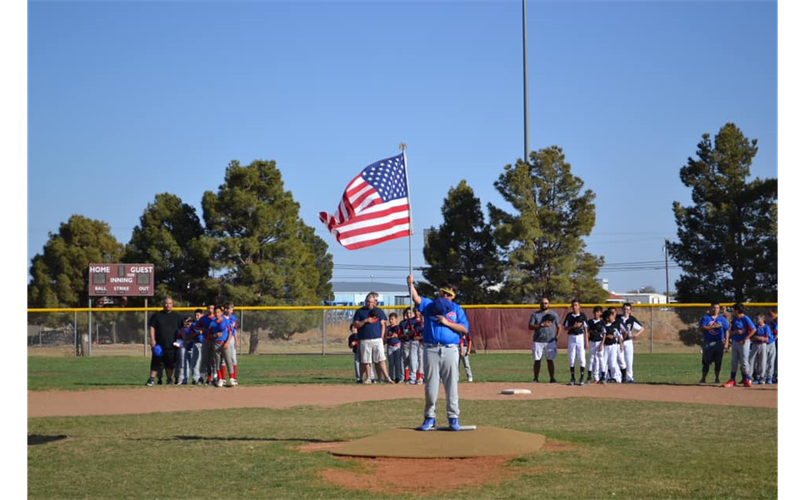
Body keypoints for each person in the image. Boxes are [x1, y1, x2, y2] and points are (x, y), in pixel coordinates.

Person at [407, 275, 469, 431]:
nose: (446, 296)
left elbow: (464, 329)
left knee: (451, 385)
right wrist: (410, 284)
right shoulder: (429, 305)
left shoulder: (457, 309)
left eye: (450, 294)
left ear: (454, 296)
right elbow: (416, 298)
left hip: (450, 349)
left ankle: (453, 417)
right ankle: (429, 417)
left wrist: (447, 323)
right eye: (443, 292)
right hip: (431, 348)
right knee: (431, 386)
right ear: (439, 292)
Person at [352, 292, 394, 384]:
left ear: (374, 302)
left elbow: (383, 324)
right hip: (365, 339)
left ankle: (386, 377)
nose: (370, 304)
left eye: (371, 302)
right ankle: (369, 378)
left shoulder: (378, 311)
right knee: (366, 360)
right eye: (368, 302)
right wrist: (365, 320)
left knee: (381, 359)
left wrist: (382, 337)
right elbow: (356, 324)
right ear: (365, 301)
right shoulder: (360, 311)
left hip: (377, 339)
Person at [145, 297, 184, 387]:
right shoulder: (157, 315)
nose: (168, 305)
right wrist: (152, 339)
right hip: (159, 343)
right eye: (166, 303)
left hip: (172, 344)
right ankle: (151, 379)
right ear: (163, 304)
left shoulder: (177, 316)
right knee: (156, 362)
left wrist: (184, 340)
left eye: (170, 303)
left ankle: (169, 379)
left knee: (170, 363)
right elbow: (152, 327)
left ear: (172, 305)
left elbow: (181, 329)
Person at [724, 303, 756, 388]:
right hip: (735, 341)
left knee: (744, 361)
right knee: (734, 362)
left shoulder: (745, 318)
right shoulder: (734, 319)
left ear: (737, 311)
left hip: (744, 342)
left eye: (733, 310)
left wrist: (746, 338)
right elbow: (731, 332)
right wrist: (736, 332)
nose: (733, 312)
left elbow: (753, 329)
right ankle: (732, 380)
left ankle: (746, 379)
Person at [528, 297, 559, 383]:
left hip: (550, 341)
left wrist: (556, 337)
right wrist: (541, 325)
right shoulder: (535, 314)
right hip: (538, 340)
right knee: (537, 360)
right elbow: (530, 326)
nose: (544, 304)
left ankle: (552, 378)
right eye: (542, 303)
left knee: (550, 360)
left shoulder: (554, 314)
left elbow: (559, 326)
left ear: (549, 304)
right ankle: (535, 378)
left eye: (546, 303)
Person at [699, 302, 729, 385]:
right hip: (708, 342)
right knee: (706, 361)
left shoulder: (722, 319)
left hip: (719, 342)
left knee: (718, 361)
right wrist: (712, 327)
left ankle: (717, 378)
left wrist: (726, 343)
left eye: (717, 308)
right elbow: (702, 328)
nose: (715, 309)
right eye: (713, 308)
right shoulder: (706, 318)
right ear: (710, 308)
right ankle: (703, 378)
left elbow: (726, 330)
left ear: (719, 309)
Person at [561, 299, 588, 386]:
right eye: (573, 305)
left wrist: (586, 341)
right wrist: (573, 326)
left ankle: (581, 378)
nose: (574, 307)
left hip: (580, 337)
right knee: (571, 357)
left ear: (579, 306)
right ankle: (572, 378)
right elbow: (565, 328)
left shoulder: (582, 315)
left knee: (581, 357)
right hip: (572, 337)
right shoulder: (569, 316)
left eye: (576, 305)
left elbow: (586, 328)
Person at [616, 303, 643, 383]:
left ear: (630, 310)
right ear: (622, 309)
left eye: (628, 309)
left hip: (628, 341)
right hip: (619, 342)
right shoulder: (618, 318)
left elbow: (641, 328)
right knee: (620, 360)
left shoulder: (631, 319)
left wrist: (635, 335)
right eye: (624, 309)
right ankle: (620, 377)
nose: (626, 311)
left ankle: (629, 377)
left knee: (629, 360)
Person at [601, 308, 624, 383]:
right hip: (605, 346)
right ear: (607, 318)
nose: (613, 317)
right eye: (611, 316)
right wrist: (607, 336)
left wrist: (621, 345)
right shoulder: (603, 326)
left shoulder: (613, 327)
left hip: (613, 346)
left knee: (613, 362)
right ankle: (604, 376)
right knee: (604, 362)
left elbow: (619, 335)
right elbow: (602, 335)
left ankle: (615, 377)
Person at [586, 306, 606, 384]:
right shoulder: (590, 322)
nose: (596, 313)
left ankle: (603, 376)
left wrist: (602, 344)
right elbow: (587, 331)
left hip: (599, 341)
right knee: (591, 358)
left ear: (600, 313)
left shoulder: (602, 322)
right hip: (592, 341)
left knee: (601, 358)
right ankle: (589, 376)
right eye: (595, 311)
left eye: (598, 312)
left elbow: (604, 333)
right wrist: (587, 340)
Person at [749, 314, 769, 384]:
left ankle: (762, 377)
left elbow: (767, 338)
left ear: (763, 319)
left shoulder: (766, 327)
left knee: (762, 361)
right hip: (755, 344)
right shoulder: (755, 327)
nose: (757, 320)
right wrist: (755, 338)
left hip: (763, 345)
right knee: (751, 360)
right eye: (757, 319)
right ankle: (749, 376)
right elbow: (751, 336)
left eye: (759, 319)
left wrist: (760, 338)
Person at [385, 312, 404, 384]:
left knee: (397, 363)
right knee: (391, 363)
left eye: (392, 319)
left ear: (396, 319)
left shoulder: (398, 327)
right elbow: (386, 337)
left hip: (397, 346)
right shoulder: (388, 328)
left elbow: (400, 334)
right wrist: (390, 337)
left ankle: (398, 377)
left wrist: (397, 335)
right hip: (390, 346)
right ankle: (390, 377)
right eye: (390, 319)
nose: (391, 320)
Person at [224, 303, 239, 386]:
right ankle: (222, 378)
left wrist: (236, 340)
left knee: (233, 358)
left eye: (232, 309)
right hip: (224, 338)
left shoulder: (233, 317)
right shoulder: (222, 317)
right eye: (230, 309)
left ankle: (234, 377)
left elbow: (234, 330)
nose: (232, 311)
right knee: (224, 359)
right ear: (226, 309)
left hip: (232, 338)